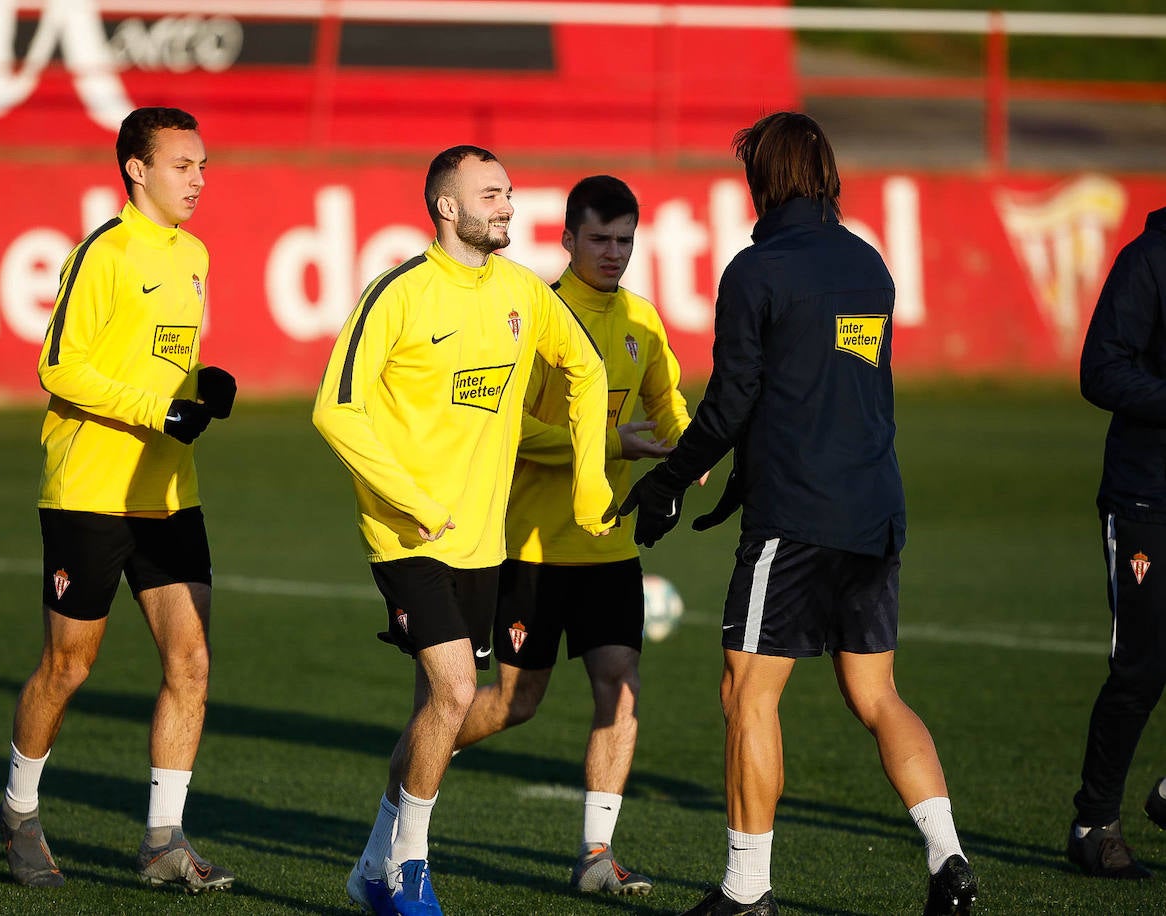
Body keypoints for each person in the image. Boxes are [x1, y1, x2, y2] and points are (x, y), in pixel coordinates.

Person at [619, 112, 977, 916]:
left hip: (798, 520)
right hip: (876, 511)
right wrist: (748, 464)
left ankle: (747, 891)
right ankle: (947, 856)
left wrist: (669, 481)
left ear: (762, 182)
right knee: (878, 695)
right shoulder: (870, 267)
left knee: (747, 693)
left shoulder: (755, 271)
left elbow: (734, 398)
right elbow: (824, 389)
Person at [313, 145, 616, 916]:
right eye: (492, 193)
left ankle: (370, 867)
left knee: (435, 716)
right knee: (456, 691)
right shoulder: (400, 293)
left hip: (484, 543)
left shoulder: (524, 292)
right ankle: (410, 871)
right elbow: (333, 409)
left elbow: (585, 371)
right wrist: (408, 498)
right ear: (448, 208)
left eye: (510, 191)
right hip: (407, 536)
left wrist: (590, 485)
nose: (510, 205)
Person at [0, 106, 237, 894]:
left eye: (203, 165)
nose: (198, 179)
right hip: (90, 494)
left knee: (191, 664)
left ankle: (163, 840)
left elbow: (169, 367)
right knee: (69, 667)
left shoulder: (195, 254)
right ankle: (19, 813)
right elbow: (59, 367)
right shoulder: (103, 251)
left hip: (168, 496)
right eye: (183, 165)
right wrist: (154, 409)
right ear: (136, 169)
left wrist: (205, 386)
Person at [450, 175, 692, 897]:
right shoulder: (536, 318)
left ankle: (595, 855)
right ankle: (421, 757)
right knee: (515, 703)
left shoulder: (643, 322)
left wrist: (695, 454)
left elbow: (669, 407)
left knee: (620, 690)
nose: (614, 253)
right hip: (531, 550)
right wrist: (610, 443)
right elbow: (510, 428)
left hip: (608, 547)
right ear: (567, 240)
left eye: (625, 240)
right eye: (600, 240)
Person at [1068, 204, 1166, 879]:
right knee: (1143, 665)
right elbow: (1100, 369)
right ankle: (1093, 821)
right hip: (1148, 498)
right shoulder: (1150, 259)